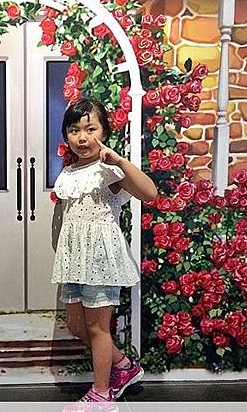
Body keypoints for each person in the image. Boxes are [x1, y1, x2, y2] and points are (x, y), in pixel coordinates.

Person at [52, 99, 158, 410]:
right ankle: (123, 365)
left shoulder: (108, 169)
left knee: (98, 328)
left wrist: (120, 161)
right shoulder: (68, 172)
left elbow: (149, 193)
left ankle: (101, 395)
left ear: (104, 132)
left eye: (90, 129)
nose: (82, 137)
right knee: (77, 326)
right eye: (74, 130)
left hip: (101, 258)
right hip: (74, 258)